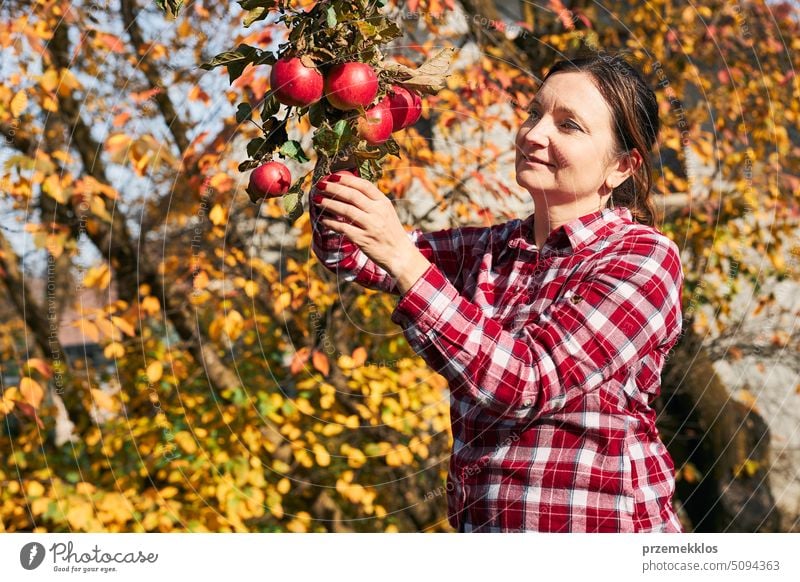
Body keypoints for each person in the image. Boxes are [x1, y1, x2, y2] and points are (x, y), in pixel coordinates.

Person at [309, 52, 685, 533]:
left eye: (569, 125)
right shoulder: (491, 249)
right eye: (534, 113)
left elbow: (525, 382)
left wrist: (403, 257)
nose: (533, 133)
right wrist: (343, 121)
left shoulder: (643, 259)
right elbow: (350, 254)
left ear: (621, 167)